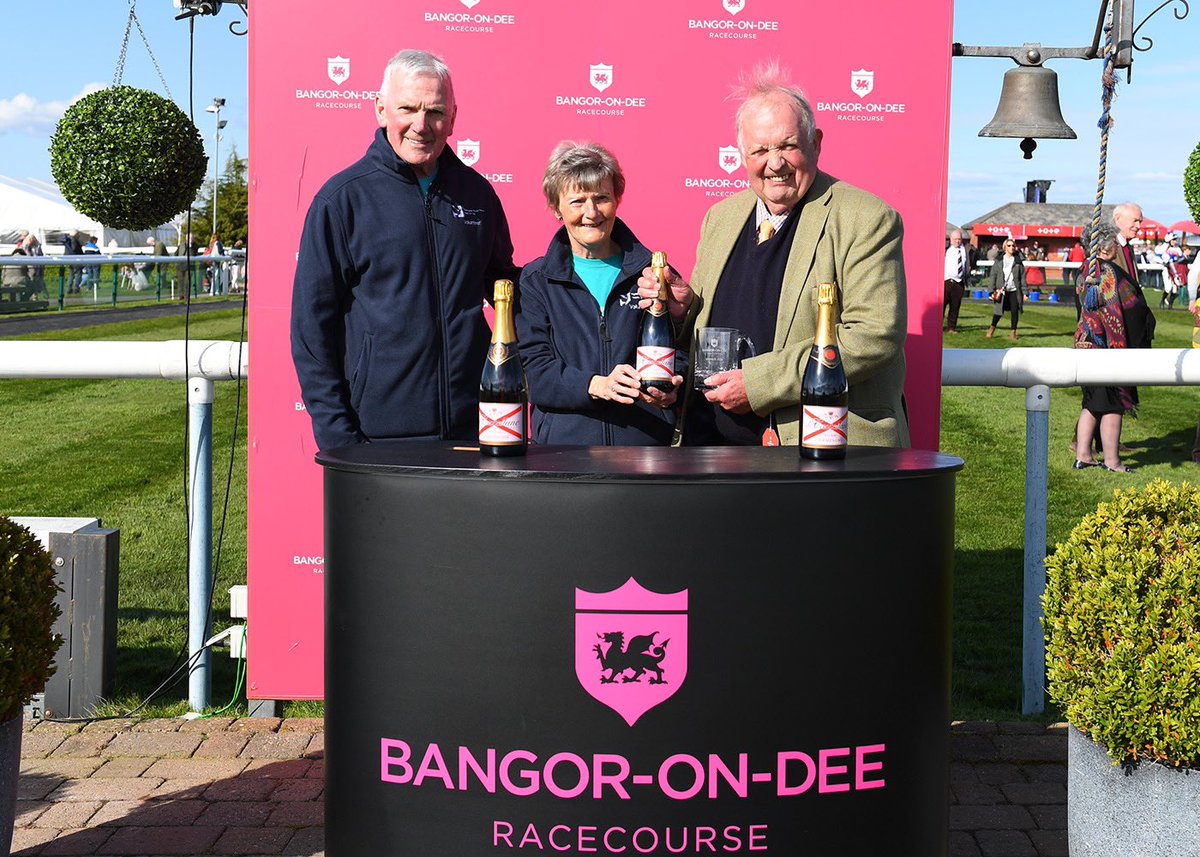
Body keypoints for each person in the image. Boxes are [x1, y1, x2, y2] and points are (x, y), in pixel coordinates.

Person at [637, 62, 908, 448]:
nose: (775, 163)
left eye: (787, 145)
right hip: (713, 447)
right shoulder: (721, 217)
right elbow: (708, 329)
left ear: (816, 142)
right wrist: (685, 309)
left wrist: (759, 384)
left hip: (818, 450)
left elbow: (873, 336)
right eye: (760, 150)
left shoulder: (865, 218)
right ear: (741, 155)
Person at [291, 48, 517, 452]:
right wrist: (340, 438)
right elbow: (311, 328)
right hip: (374, 437)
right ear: (380, 110)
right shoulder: (342, 200)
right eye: (408, 109)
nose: (421, 125)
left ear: (453, 117)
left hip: (474, 431)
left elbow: (507, 288)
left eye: (435, 112)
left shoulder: (478, 193)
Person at [515, 142, 679, 446]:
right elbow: (533, 373)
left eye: (601, 198)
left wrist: (671, 386)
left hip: (646, 450)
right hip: (563, 456)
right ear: (555, 208)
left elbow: (680, 349)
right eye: (577, 201)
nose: (591, 213)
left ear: (616, 201)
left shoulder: (652, 272)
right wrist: (596, 385)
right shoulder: (536, 281)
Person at [1072, 223, 1154, 473]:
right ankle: (1112, 461)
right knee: (1113, 405)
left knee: (1091, 403)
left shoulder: (1084, 269)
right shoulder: (1110, 272)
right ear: (1107, 248)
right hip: (1107, 348)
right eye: (1115, 245)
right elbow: (1134, 309)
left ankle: (1083, 455)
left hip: (1084, 345)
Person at [986, 239, 1024, 341]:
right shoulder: (999, 260)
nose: (1011, 247)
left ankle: (1013, 333)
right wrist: (991, 290)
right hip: (1001, 290)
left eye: (1013, 245)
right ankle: (992, 329)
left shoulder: (1018, 261)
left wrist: (1026, 292)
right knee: (998, 312)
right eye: (1009, 245)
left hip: (1014, 289)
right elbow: (993, 275)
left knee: (1015, 311)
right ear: (1005, 247)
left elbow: (1022, 278)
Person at [943, 229, 975, 334]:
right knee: (942, 306)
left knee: (955, 307)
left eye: (959, 239)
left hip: (959, 282)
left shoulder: (965, 250)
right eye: (955, 239)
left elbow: (972, 258)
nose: (957, 241)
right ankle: (938, 326)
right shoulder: (945, 249)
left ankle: (952, 328)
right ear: (951, 240)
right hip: (946, 281)